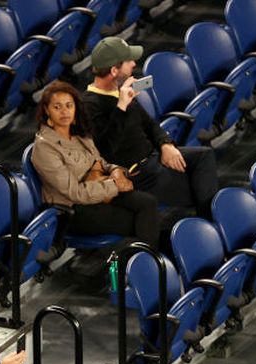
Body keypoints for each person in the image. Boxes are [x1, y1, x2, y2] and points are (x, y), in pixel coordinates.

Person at [83, 37, 219, 219]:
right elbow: (106, 150)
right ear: (114, 70)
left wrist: (165, 144)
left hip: (153, 158)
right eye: (128, 61)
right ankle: (209, 224)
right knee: (201, 189)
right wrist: (121, 106)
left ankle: (209, 223)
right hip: (137, 173)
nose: (134, 64)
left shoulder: (120, 90)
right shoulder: (89, 105)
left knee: (204, 156)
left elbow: (149, 124)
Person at [30, 81, 160, 249]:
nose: (64, 112)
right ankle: (139, 261)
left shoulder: (79, 132)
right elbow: (75, 193)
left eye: (69, 105)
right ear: (46, 110)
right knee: (138, 221)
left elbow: (99, 161)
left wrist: (115, 170)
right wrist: (115, 185)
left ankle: (146, 258)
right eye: (57, 107)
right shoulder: (44, 148)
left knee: (148, 203)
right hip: (75, 209)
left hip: (100, 190)